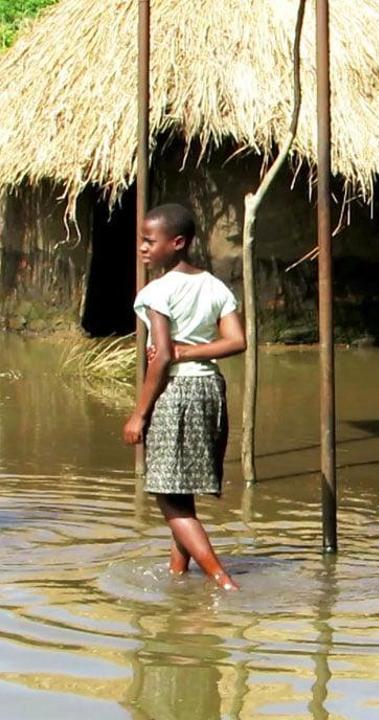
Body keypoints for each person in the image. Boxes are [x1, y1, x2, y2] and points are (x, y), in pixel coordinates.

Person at [124, 203, 246, 590]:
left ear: (177, 243)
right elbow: (236, 341)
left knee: (168, 497)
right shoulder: (214, 286)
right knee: (182, 491)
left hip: (175, 392)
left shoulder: (156, 292)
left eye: (149, 241)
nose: (142, 248)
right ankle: (178, 575)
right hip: (210, 390)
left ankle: (222, 580)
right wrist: (188, 350)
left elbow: (160, 359)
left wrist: (139, 414)